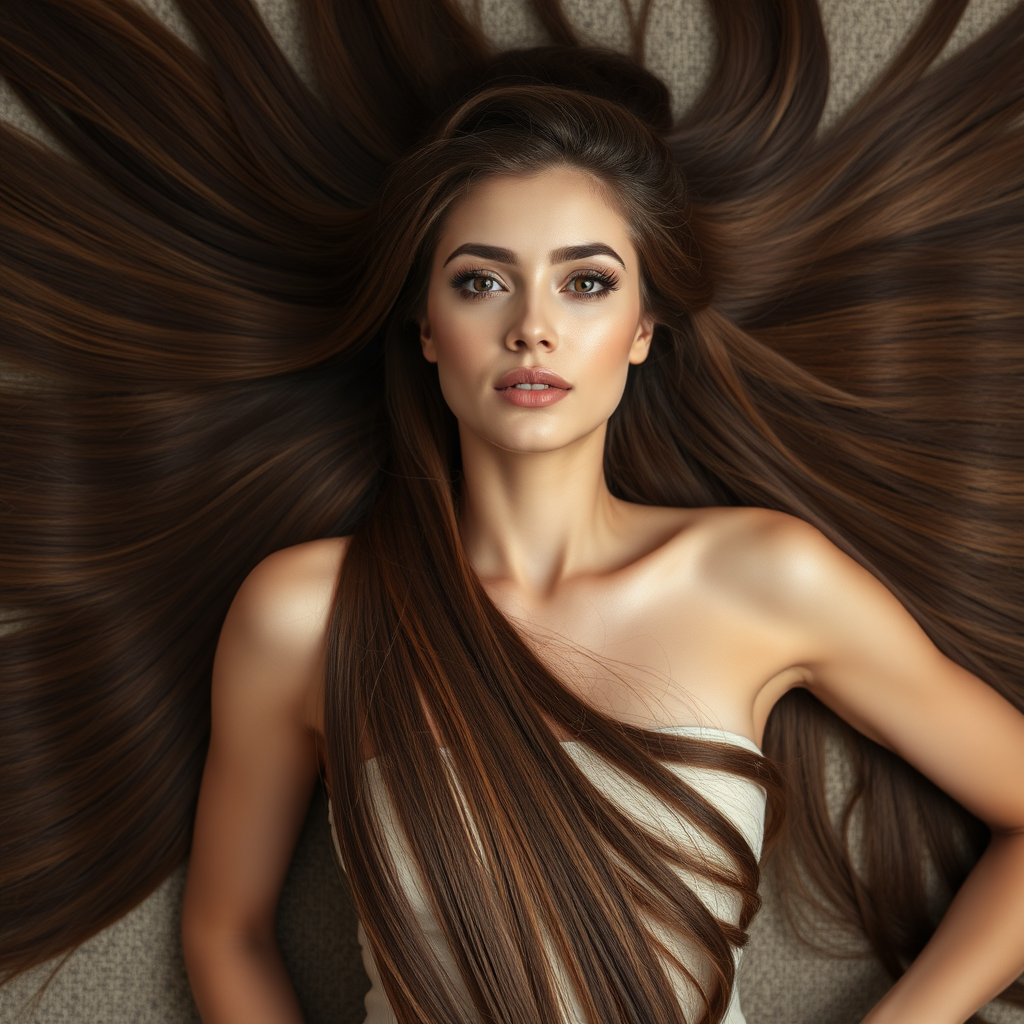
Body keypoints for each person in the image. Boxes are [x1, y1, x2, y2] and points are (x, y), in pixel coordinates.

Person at [2, 1, 1023, 1022]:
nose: (532, 328)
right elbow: (227, 932)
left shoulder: (763, 577)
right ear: (427, 325)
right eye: (482, 280)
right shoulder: (306, 613)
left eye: (585, 282)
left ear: (642, 327)